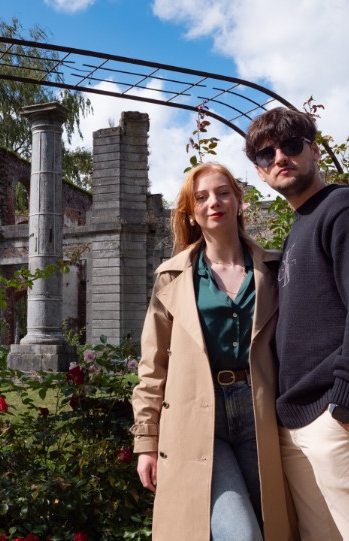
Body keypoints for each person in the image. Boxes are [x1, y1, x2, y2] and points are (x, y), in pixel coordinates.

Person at [244, 107, 349, 540]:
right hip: (301, 417)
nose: (280, 157)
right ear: (259, 171)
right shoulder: (300, 225)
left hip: (343, 412)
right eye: (266, 154)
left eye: (292, 145)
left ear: (313, 151)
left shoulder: (348, 208)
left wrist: (345, 405)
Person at [131, 162, 298, 541]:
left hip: (261, 416)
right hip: (197, 418)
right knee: (242, 535)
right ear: (191, 212)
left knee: (276, 527)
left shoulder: (274, 270)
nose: (214, 202)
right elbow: (153, 366)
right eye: (201, 197)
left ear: (239, 201)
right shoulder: (172, 277)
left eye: (223, 193)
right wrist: (146, 443)